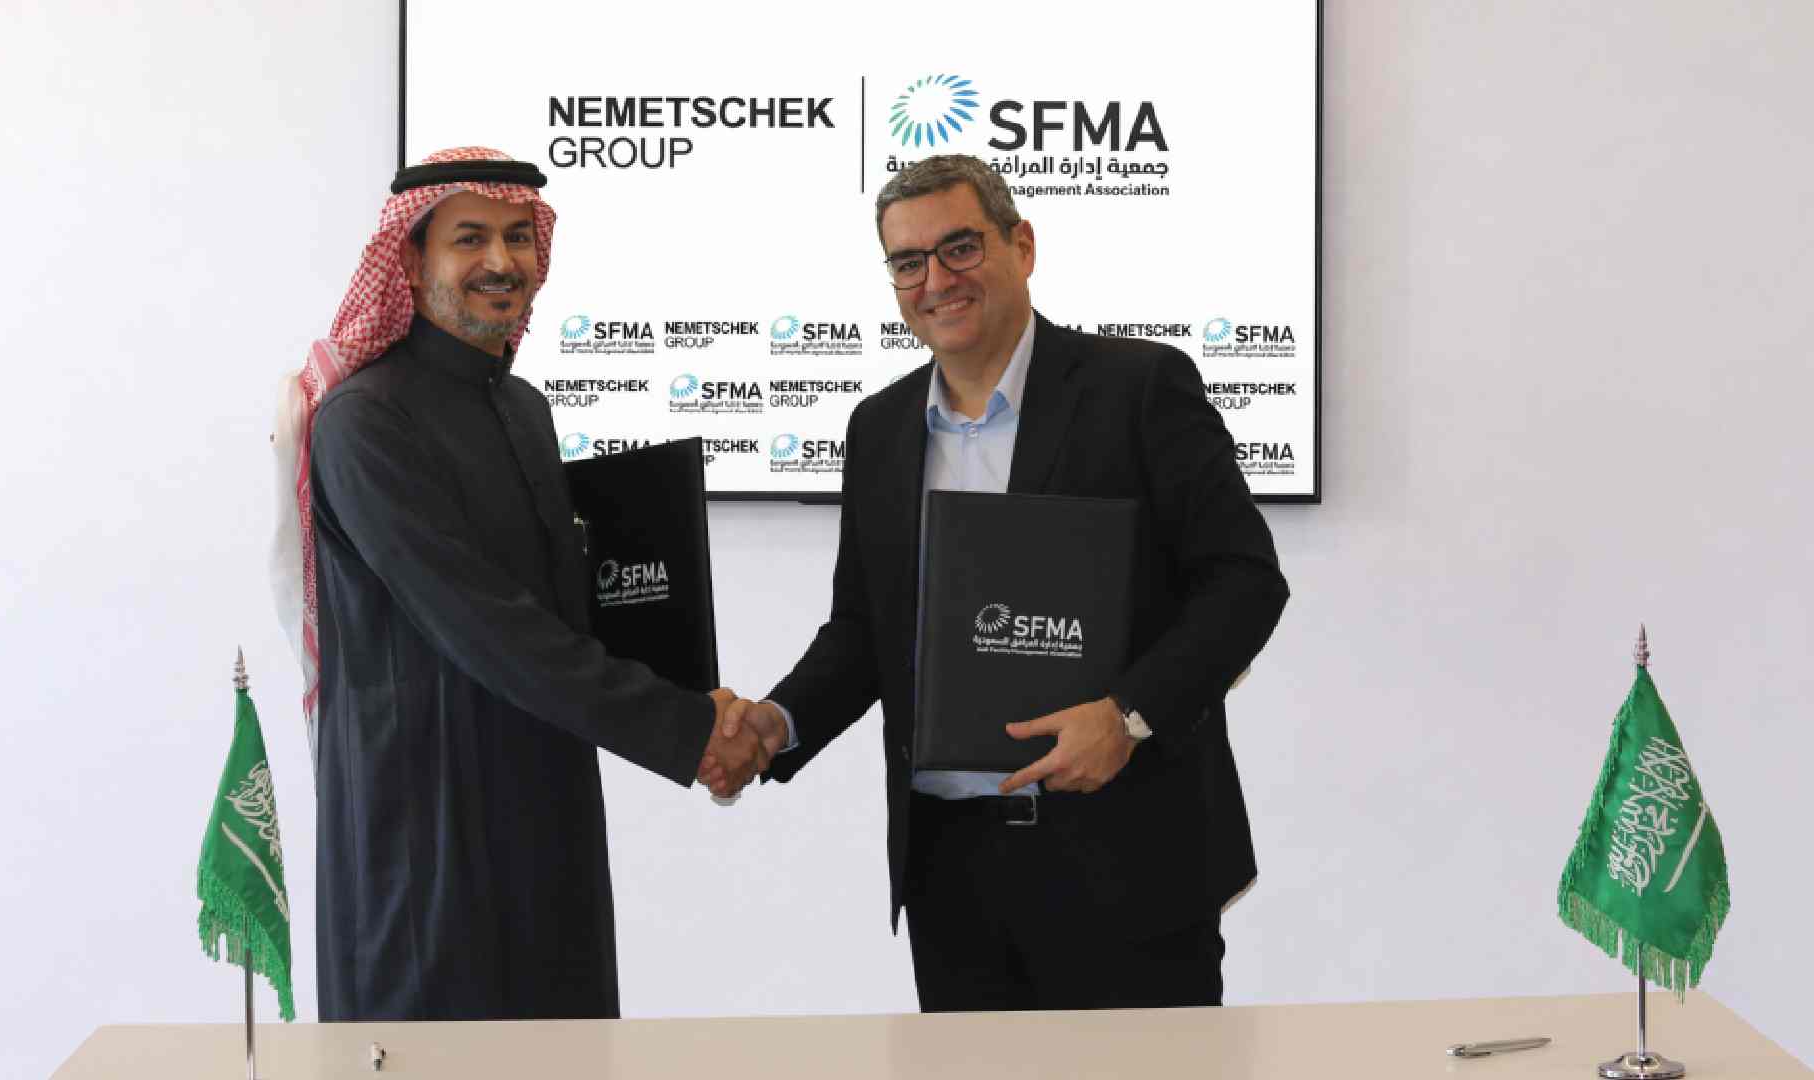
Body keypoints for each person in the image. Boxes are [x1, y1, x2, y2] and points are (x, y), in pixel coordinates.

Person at [716, 154, 1289, 1012]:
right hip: (953, 876)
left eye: (960, 247)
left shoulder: (1138, 389)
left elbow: (1244, 581)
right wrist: (777, 722)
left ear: (1021, 245)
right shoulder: (878, 428)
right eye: (908, 262)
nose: (936, 280)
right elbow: (866, 631)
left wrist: (1127, 715)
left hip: (1128, 862)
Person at [269, 147, 763, 1021]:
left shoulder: (525, 408)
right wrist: (689, 731)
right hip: (426, 830)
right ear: (409, 261)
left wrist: (691, 697)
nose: (501, 261)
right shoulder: (365, 424)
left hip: (546, 802)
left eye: (518, 237)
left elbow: (562, 613)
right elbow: (486, 623)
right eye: (470, 239)